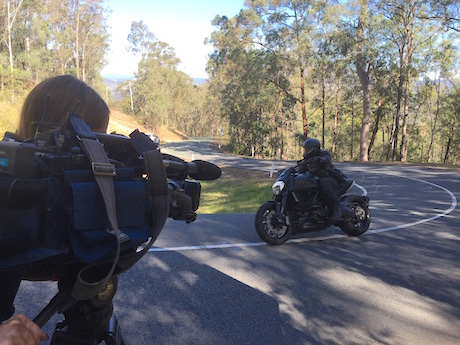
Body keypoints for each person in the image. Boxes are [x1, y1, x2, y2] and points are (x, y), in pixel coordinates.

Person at [1, 75, 111, 344]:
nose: (102, 154)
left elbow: (15, 258)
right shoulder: (12, 200)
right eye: (96, 143)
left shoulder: (25, 188)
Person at [295, 138, 349, 222]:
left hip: (332, 179)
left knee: (323, 182)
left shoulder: (323, 154)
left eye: (307, 149)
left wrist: (319, 159)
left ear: (313, 149)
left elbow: (326, 159)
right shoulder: (306, 160)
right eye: (304, 149)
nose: (305, 152)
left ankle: (336, 207)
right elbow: (300, 169)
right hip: (318, 180)